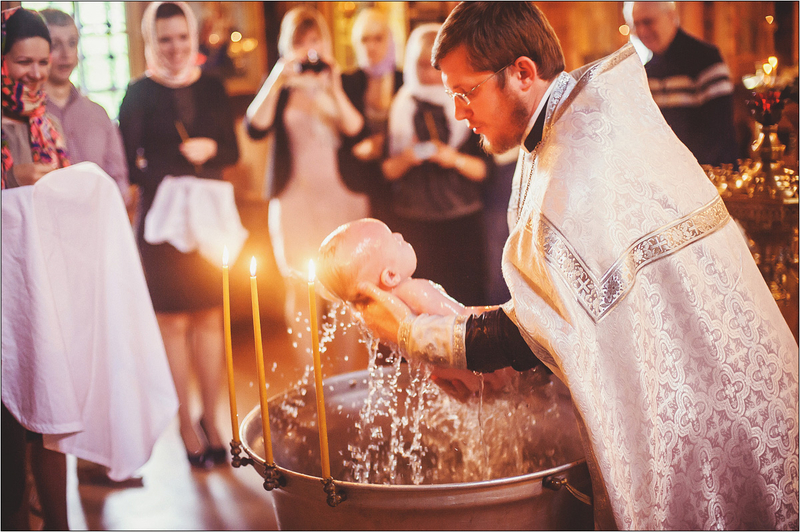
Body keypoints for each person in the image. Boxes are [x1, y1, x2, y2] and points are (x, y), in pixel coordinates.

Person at [353, 3, 798, 530]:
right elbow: (569, 312)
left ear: (522, 73)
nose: (458, 112)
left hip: (706, 413)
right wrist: (484, 359)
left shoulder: (581, 159)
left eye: (466, 92)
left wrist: (413, 334)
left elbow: (535, 332)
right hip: (711, 393)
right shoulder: (572, 121)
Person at [118, 1, 239, 469]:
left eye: (182, 38)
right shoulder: (138, 93)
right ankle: (185, 423)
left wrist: (211, 148)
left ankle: (213, 418)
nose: (174, 48)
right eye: (164, 39)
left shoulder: (212, 86)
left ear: (194, 38)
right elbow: (129, 164)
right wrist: (171, 175)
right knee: (173, 324)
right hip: (162, 224)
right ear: (151, 41)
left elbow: (231, 150)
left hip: (207, 223)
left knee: (210, 318)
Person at [244, 6, 369, 358]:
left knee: (347, 291)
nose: (309, 48)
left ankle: (348, 376)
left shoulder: (346, 80)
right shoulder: (281, 88)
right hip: (294, 199)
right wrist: (277, 78)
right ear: (287, 46)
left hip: (341, 198)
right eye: (300, 42)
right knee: (300, 287)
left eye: (315, 40)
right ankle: (309, 377)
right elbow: (254, 128)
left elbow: (357, 130)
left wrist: (333, 86)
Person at [1, 8, 70, 529]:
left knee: (50, 417)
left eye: (42, 62)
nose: (36, 72)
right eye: (24, 61)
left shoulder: (48, 122)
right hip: (5, 292)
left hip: (44, 284)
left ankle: (60, 523)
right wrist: (13, 181)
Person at [317, 217, 513, 399]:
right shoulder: (416, 291)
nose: (399, 235)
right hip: (494, 364)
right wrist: (511, 315)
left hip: (471, 378)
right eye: (393, 239)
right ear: (390, 276)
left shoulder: (382, 319)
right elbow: (465, 320)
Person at [381, 23, 490, 307]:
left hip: (460, 221)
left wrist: (453, 159)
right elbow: (385, 172)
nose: (429, 74)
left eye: (435, 66)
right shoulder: (401, 106)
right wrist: (408, 158)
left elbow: (485, 171)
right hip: (414, 222)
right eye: (420, 65)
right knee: (419, 305)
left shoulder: (468, 103)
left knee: (465, 302)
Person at [626, 1, 739, 166]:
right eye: (636, 24)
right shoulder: (646, 72)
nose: (642, 31)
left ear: (671, 16)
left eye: (648, 22)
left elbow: (718, 135)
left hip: (713, 174)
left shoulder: (706, 59)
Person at [40, 8, 131, 206]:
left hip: (98, 216)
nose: (66, 54)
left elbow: (119, 182)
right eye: (55, 45)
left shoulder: (98, 113)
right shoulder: (28, 116)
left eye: (72, 43)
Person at [338, 8, 404, 223]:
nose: (371, 46)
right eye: (364, 39)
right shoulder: (347, 83)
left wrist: (383, 145)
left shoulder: (404, 80)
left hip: (401, 182)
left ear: (390, 40)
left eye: (378, 38)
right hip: (360, 181)